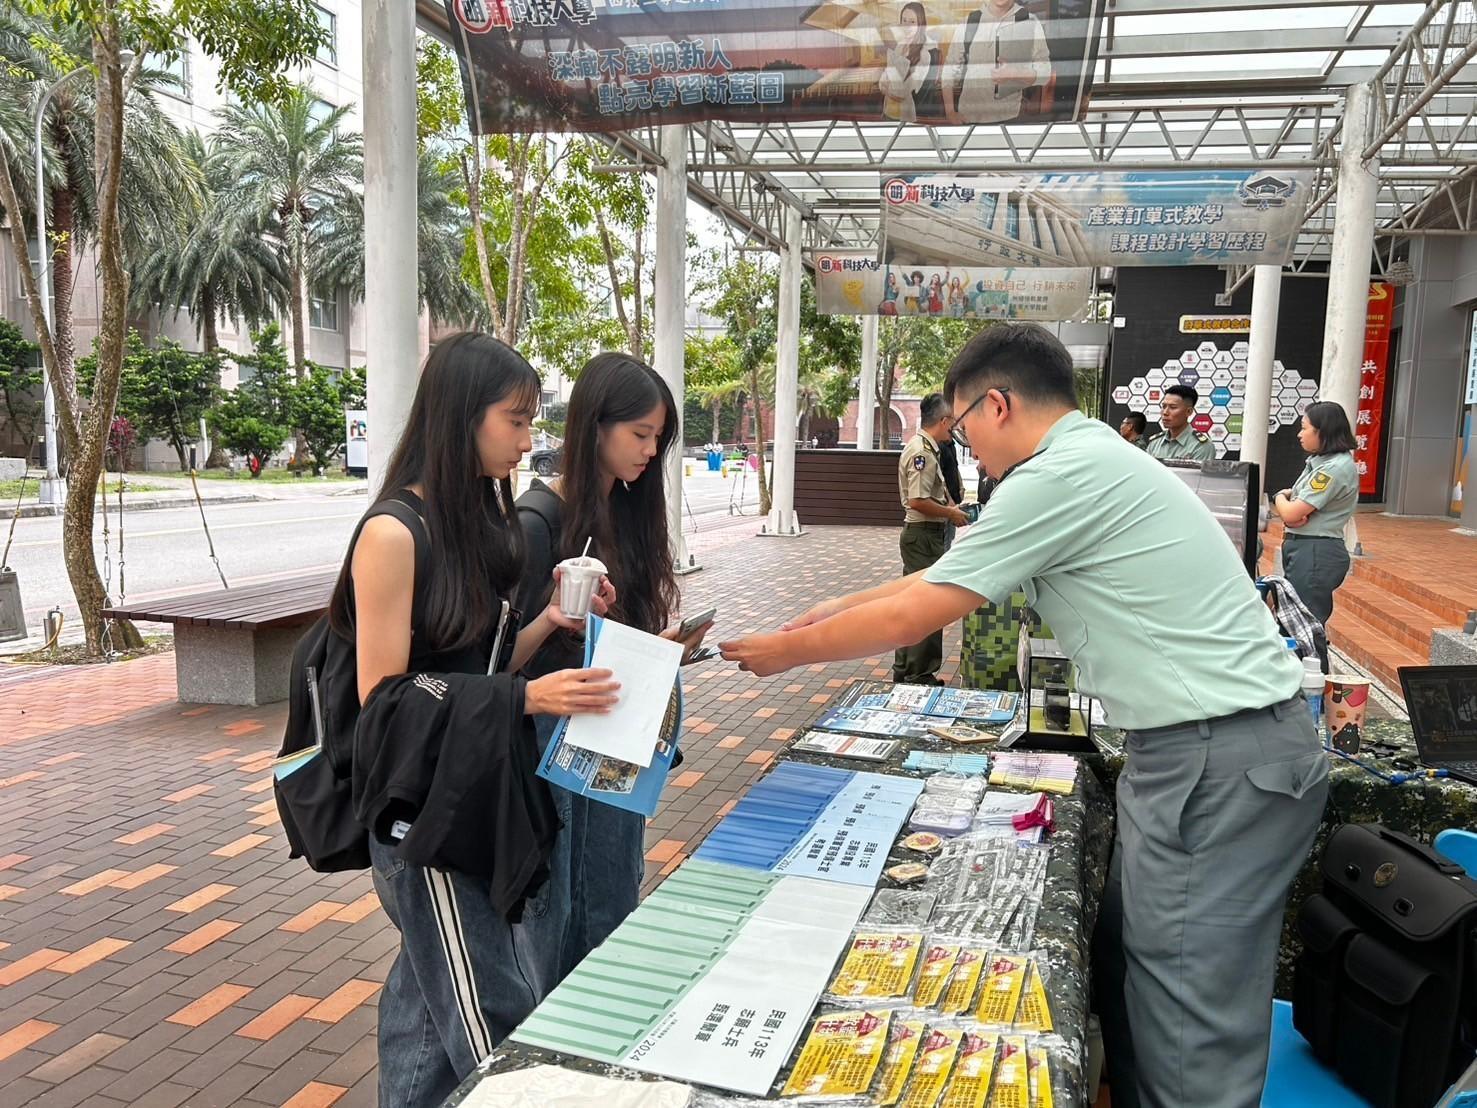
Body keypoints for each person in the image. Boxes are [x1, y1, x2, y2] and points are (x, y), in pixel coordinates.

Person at [721, 324, 1328, 1108]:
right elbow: (941, 574)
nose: (963, 442)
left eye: (962, 422)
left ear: (996, 404)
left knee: (1186, 1020)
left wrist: (785, 653)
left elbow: (919, 616)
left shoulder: (1057, 475)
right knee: (1135, 968)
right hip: (1205, 750)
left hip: (1217, 759)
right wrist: (829, 608)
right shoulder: (1088, 459)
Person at [339, 333, 622, 1108]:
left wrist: (548, 627)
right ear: (461, 415)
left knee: (427, 1002)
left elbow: (481, 664)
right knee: (488, 1011)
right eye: (515, 420)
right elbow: (383, 699)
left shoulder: (478, 523)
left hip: (473, 791)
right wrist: (527, 698)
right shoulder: (393, 533)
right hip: (419, 813)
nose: (529, 440)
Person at [515, 352, 710, 977]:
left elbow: (613, 635)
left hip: (615, 733)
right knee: (560, 907)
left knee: (611, 895)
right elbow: (504, 655)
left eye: (659, 439)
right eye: (641, 435)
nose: (651, 452)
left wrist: (661, 648)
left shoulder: (626, 510)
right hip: (555, 745)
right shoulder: (538, 519)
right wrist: (556, 620)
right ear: (594, 426)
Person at [893, 392, 969, 684]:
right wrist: (951, 514)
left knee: (920, 603)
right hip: (923, 536)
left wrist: (950, 511)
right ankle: (916, 674)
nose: (955, 428)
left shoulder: (930, 448)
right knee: (923, 606)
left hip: (928, 535)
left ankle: (911, 670)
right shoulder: (921, 452)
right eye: (953, 421)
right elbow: (917, 500)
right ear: (943, 420)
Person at [1271, 400, 1359, 628]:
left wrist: (1278, 496)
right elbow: (1295, 508)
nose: (1300, 434)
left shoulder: (1333, 468)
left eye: (1304, 427)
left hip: (1315, 552)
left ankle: (1313, 665)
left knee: (1304, 627)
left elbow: (1291, 513)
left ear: (1323, 431)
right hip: (1305, 548)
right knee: (1293, 623)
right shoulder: (1319, 462)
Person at [942, 0, 1050, 126]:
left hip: (1012, 118)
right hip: (968, 119)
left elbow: (1045, 73)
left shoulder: (1029, 21)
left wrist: (1016, 74)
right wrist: (950, 112)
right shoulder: (970, 21)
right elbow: (949, 69)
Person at [879, 2, 937, 123]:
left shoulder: (925, 55)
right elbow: (884, 78)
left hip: (905, 117)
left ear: (920, 24)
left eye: (912, 22)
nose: (907, 25)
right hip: (887, 112)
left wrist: (887, 88)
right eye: (904, 20)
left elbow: (902, 93)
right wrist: (886, 85)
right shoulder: (900, 45)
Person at [1146, 384, 1215, 462]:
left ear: (1189, 411)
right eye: (1164, 406)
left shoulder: (1201, 446)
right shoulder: (1155, 443)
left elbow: (1196, 474)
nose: (1165, 412)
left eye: (1173, 407)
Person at [938, 431, 964, 550]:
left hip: (955, 498)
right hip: (946, 502)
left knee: (950, 536)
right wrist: (948, 499)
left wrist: (961, 486)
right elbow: (939, 475)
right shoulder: (940, 446)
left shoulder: (952, 445)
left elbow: (955, 467)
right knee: (944, 538)